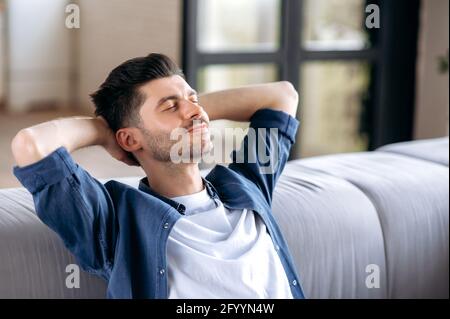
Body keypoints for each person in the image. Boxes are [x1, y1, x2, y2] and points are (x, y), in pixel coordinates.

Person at [11, 53, 305, 299]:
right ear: (129, 140)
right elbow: (32, 145)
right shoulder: (120, 222)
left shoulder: (247, 186)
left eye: (194, 98)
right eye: (169, 106)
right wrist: (105, 131)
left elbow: (282, 96)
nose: (195, 110)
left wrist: (192, 113)